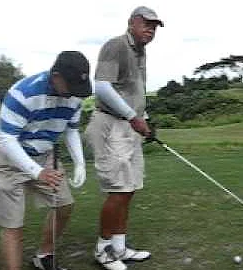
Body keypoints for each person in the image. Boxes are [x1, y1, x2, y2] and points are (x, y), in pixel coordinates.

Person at [0, 51, 91, 270]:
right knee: (14, 226)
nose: (73, 96)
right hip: (5, 156)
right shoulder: (23, 93)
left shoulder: (76, 93)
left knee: (64, 205)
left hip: (42, 153)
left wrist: (80, 162)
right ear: (56, 76)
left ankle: (44, 256)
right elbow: (7, 140)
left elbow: (71, 130)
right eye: (69, 87)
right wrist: (37, 172)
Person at [85, 6, 163, 270]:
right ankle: (102, 249)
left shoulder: (141, 51)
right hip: (111, 125)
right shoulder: (115, 46)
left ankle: (119, 246)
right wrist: (133, 116)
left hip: (129, 126)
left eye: (154, 27)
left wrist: (145, 117)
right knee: (118, 191)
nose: (150, 30)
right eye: (146, 24)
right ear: (131, 23)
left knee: (129, 189)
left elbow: (135, 90)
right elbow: (103, 87)